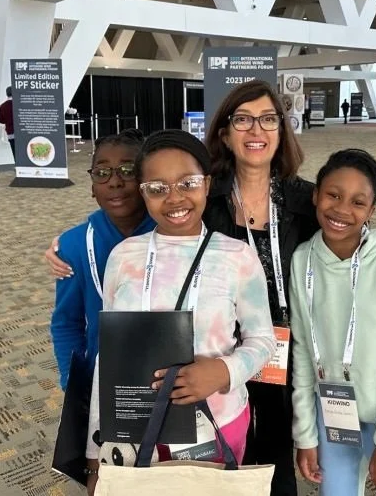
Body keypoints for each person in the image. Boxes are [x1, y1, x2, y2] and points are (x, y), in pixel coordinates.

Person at [46, 81, 376, 496]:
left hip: (294, 353)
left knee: (278, 466)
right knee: (220, 470)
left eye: (268, 119)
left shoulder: (306, 198)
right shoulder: (205, 199)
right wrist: (69, 243)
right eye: (243, 119)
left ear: (281, 131)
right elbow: (150, 208)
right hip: (213, 353)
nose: (256, 130)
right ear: (225, 133)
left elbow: (358, 236)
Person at [85, 130, 276, 494]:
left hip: (216, 421)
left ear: (206, 183)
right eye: (157, 188)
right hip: (135, 426)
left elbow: (262, 339)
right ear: (142, 191)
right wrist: (96, 448)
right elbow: (108, 354)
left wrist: (223, 371)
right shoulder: (124, 257)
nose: (174, 198)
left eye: (187, 183)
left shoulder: (236, 256)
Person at [291, 149, 376, 495]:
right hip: (334, 414)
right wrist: (306, 433)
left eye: (357, 202)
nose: (341, 210)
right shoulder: (302, 261)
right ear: (315, 194)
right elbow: (304, 355)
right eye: (333, 195)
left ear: (372, 210)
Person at [50, 130, 155, 390]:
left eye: (128, 171)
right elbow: (66, 323)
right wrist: (72, 382)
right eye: (102, 172)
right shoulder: (74, 246)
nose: (114, 182)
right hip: (105, 379)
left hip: (168, 376)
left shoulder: (173, 235)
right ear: (92, 187)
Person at [0, 86, 15, 158]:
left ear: (6, 94)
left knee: (14, 151)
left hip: (10, 133)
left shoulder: (2, 106)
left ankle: (17, 167)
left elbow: (0, 120)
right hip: (22, 133)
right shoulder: (19, 104)